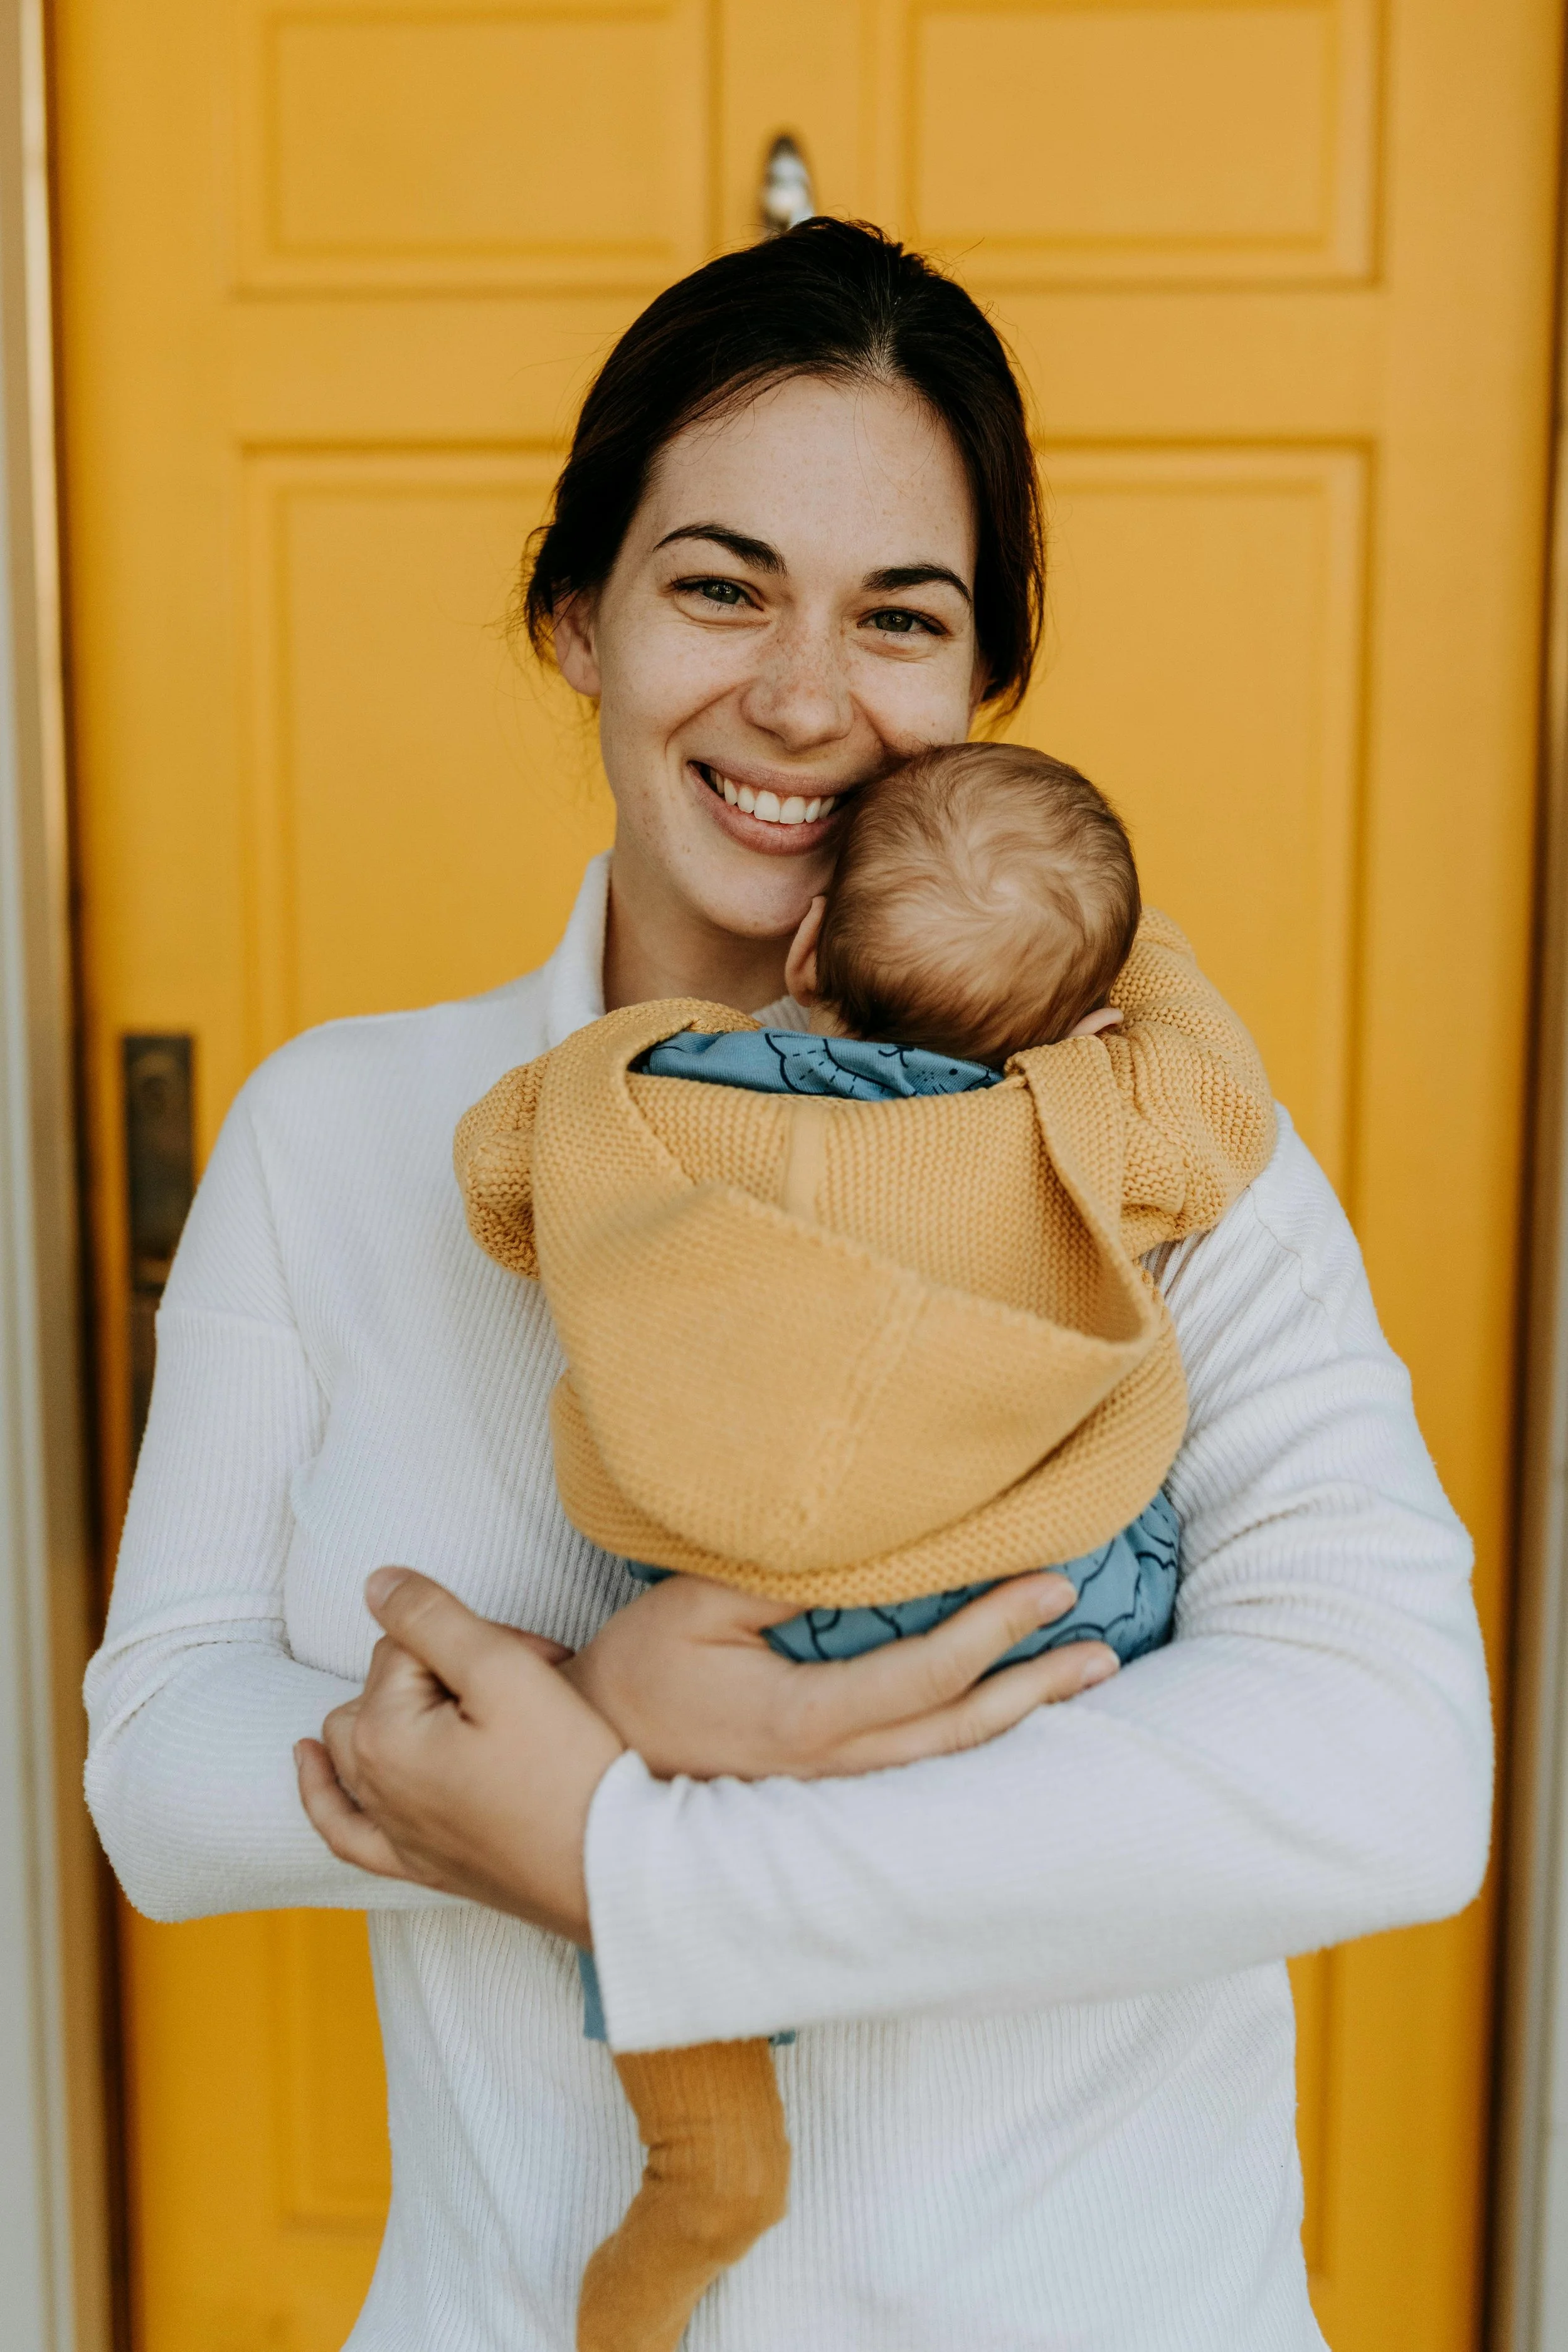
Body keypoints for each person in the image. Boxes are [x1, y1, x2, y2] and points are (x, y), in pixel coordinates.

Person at [83, 221, 1490, 2351]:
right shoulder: (354, 1134)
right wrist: (593, 1725)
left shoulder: (1162, 1143)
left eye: (899, 618)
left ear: (984, 684)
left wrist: (632, 1853)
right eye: (719, 584)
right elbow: (163, 1778)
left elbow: (1390, 1769)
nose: (807, 697)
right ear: (578, 614)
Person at [457, 739, 1274, 2351]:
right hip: (1037, 1596)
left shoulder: (659, 1093)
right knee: (1114, 1618)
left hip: (741, 1626)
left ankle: (707, 2159)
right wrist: (1124, 962)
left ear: (811, 945)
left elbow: (499, 1191)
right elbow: (1220, 1115)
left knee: (657, 1793)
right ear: (1084, 1017)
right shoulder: (1083, 1122)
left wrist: (629, 1067)